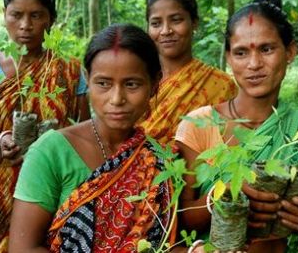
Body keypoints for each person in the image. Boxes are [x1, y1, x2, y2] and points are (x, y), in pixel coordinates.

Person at [175, 0, 298, 252]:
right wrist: (220, 195)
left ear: (290, 51)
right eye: (241, 52)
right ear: (229, 58)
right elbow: (182, 220)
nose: (254, 64)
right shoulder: (199, 124)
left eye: (266, 49)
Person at [9, 23, 174, 252]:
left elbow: (163, 243)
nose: (117, 98)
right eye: (103, 83)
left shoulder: (157, 159)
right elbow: (23, 248)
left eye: (132, 84)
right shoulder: (51, 151)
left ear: (154, 84)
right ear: (87, 80)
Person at [0, 0, 90, 252]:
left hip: (54, 189)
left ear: (51, 19)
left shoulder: (69, 71)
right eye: (16, 15)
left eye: (36, 15)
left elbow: (84, 133)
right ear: (4, 15)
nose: (25, 25)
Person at [140, 0, 237, 148]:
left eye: (176, 20)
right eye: (156, 23)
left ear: (194, 23)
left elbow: (228, 147)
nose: (166, 31)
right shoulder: (135, 80)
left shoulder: (220, 85)